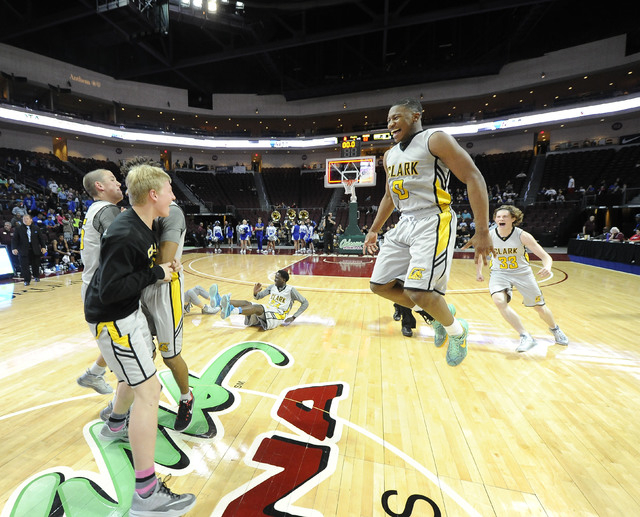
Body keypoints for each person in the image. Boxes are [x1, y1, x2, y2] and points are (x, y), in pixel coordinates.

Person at [84, 163, 196, 515]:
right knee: (149, 393)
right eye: (168, 190)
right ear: (152, 195)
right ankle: (146, 496)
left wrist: (158, 271)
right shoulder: (124, 232)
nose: (174, 196)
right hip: (115, 320)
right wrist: (157, 272)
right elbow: (112, 289)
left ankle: (115, 425)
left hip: (124, 317)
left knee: (136, 379)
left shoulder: (143, 224)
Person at [363, 98, 492, 367]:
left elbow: (473, 177)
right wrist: (374, 230)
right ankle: (437, 314)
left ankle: (458, 331)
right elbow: (389, 196)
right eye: (388, 119)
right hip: (405, 221)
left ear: (415, 116)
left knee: (419, 291)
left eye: (396, 117)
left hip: (434, 218)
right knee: (379, 285)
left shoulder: (436, 139)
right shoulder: (389, 155)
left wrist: (483, 231)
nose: (390, 123)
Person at [475, 205, 569, 352]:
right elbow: (481, 254)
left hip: (522, 273)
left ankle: (555, 329)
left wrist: (548, 267)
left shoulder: (522, 235)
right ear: (494, 219)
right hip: (499, 273)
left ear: (513, 219)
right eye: (498, 217)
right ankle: (525, 336)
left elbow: (545, 256)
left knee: (539, 307)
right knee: (499, 301)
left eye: (505, 216)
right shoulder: (489, 236)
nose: (501, 219)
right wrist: (479, 271)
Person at [76, 168, 123, 396]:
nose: (119, 183)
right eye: (113, 180)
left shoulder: (98, 210)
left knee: (118, 341)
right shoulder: (107, 210)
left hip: (97, 287)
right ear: (100, 186)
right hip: (102, 291)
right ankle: (120, 413)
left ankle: (93, 374)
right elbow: (124, 248)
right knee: (126, 353)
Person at [216, 269, 309, 329]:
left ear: (284, 280)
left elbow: (305, 303)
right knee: (246, 303)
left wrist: (293, 317)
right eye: (275, 277)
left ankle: (231, 311)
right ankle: (219, 302)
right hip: (269, 311)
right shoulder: (272, 287)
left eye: (277, 278)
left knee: (256, 307)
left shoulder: (291, 290)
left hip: (278, 315)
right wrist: (255, 293)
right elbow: (258, 297)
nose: (274, 279)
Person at [11, 213, 47, 285]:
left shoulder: (36, 228)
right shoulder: (18, 228)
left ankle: (36, 276)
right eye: (24, 219)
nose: (25, 220)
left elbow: (41, 239)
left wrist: (43, 247)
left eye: (27, 219)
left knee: (36, 264)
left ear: (31, 220)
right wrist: (14, 248)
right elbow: (14, 239)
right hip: (23, 249)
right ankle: (27, 280)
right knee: (24, 265)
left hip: (34, 248)